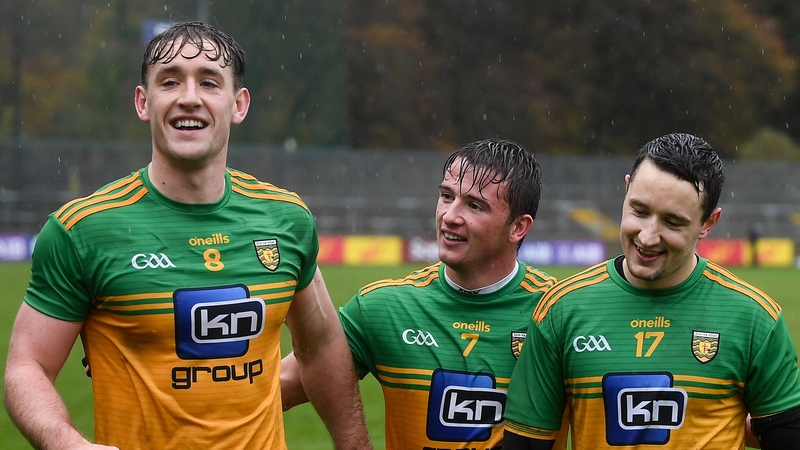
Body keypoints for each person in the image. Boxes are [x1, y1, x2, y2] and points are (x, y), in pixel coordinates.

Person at [3, 21, 370, 450]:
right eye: (170, 80)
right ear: (144, 101)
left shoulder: (285, 218)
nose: (189, 98)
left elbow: (322, 346)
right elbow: (26, 365)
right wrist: (67, 444)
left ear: (239, 104)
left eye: (210, 83)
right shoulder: (82, 230)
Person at [503, 132, 800, 449]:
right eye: (639, 211)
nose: (647, 237)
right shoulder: (561, 309)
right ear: (627, 188)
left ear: (708, 223)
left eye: (672, 222)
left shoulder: (755, 318)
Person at [282, 138, 569, 449]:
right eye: (447, 196)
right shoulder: (384, 308)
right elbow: (276, 387)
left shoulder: (561, 313)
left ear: (518, 227)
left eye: (474, 205)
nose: (450, 216)